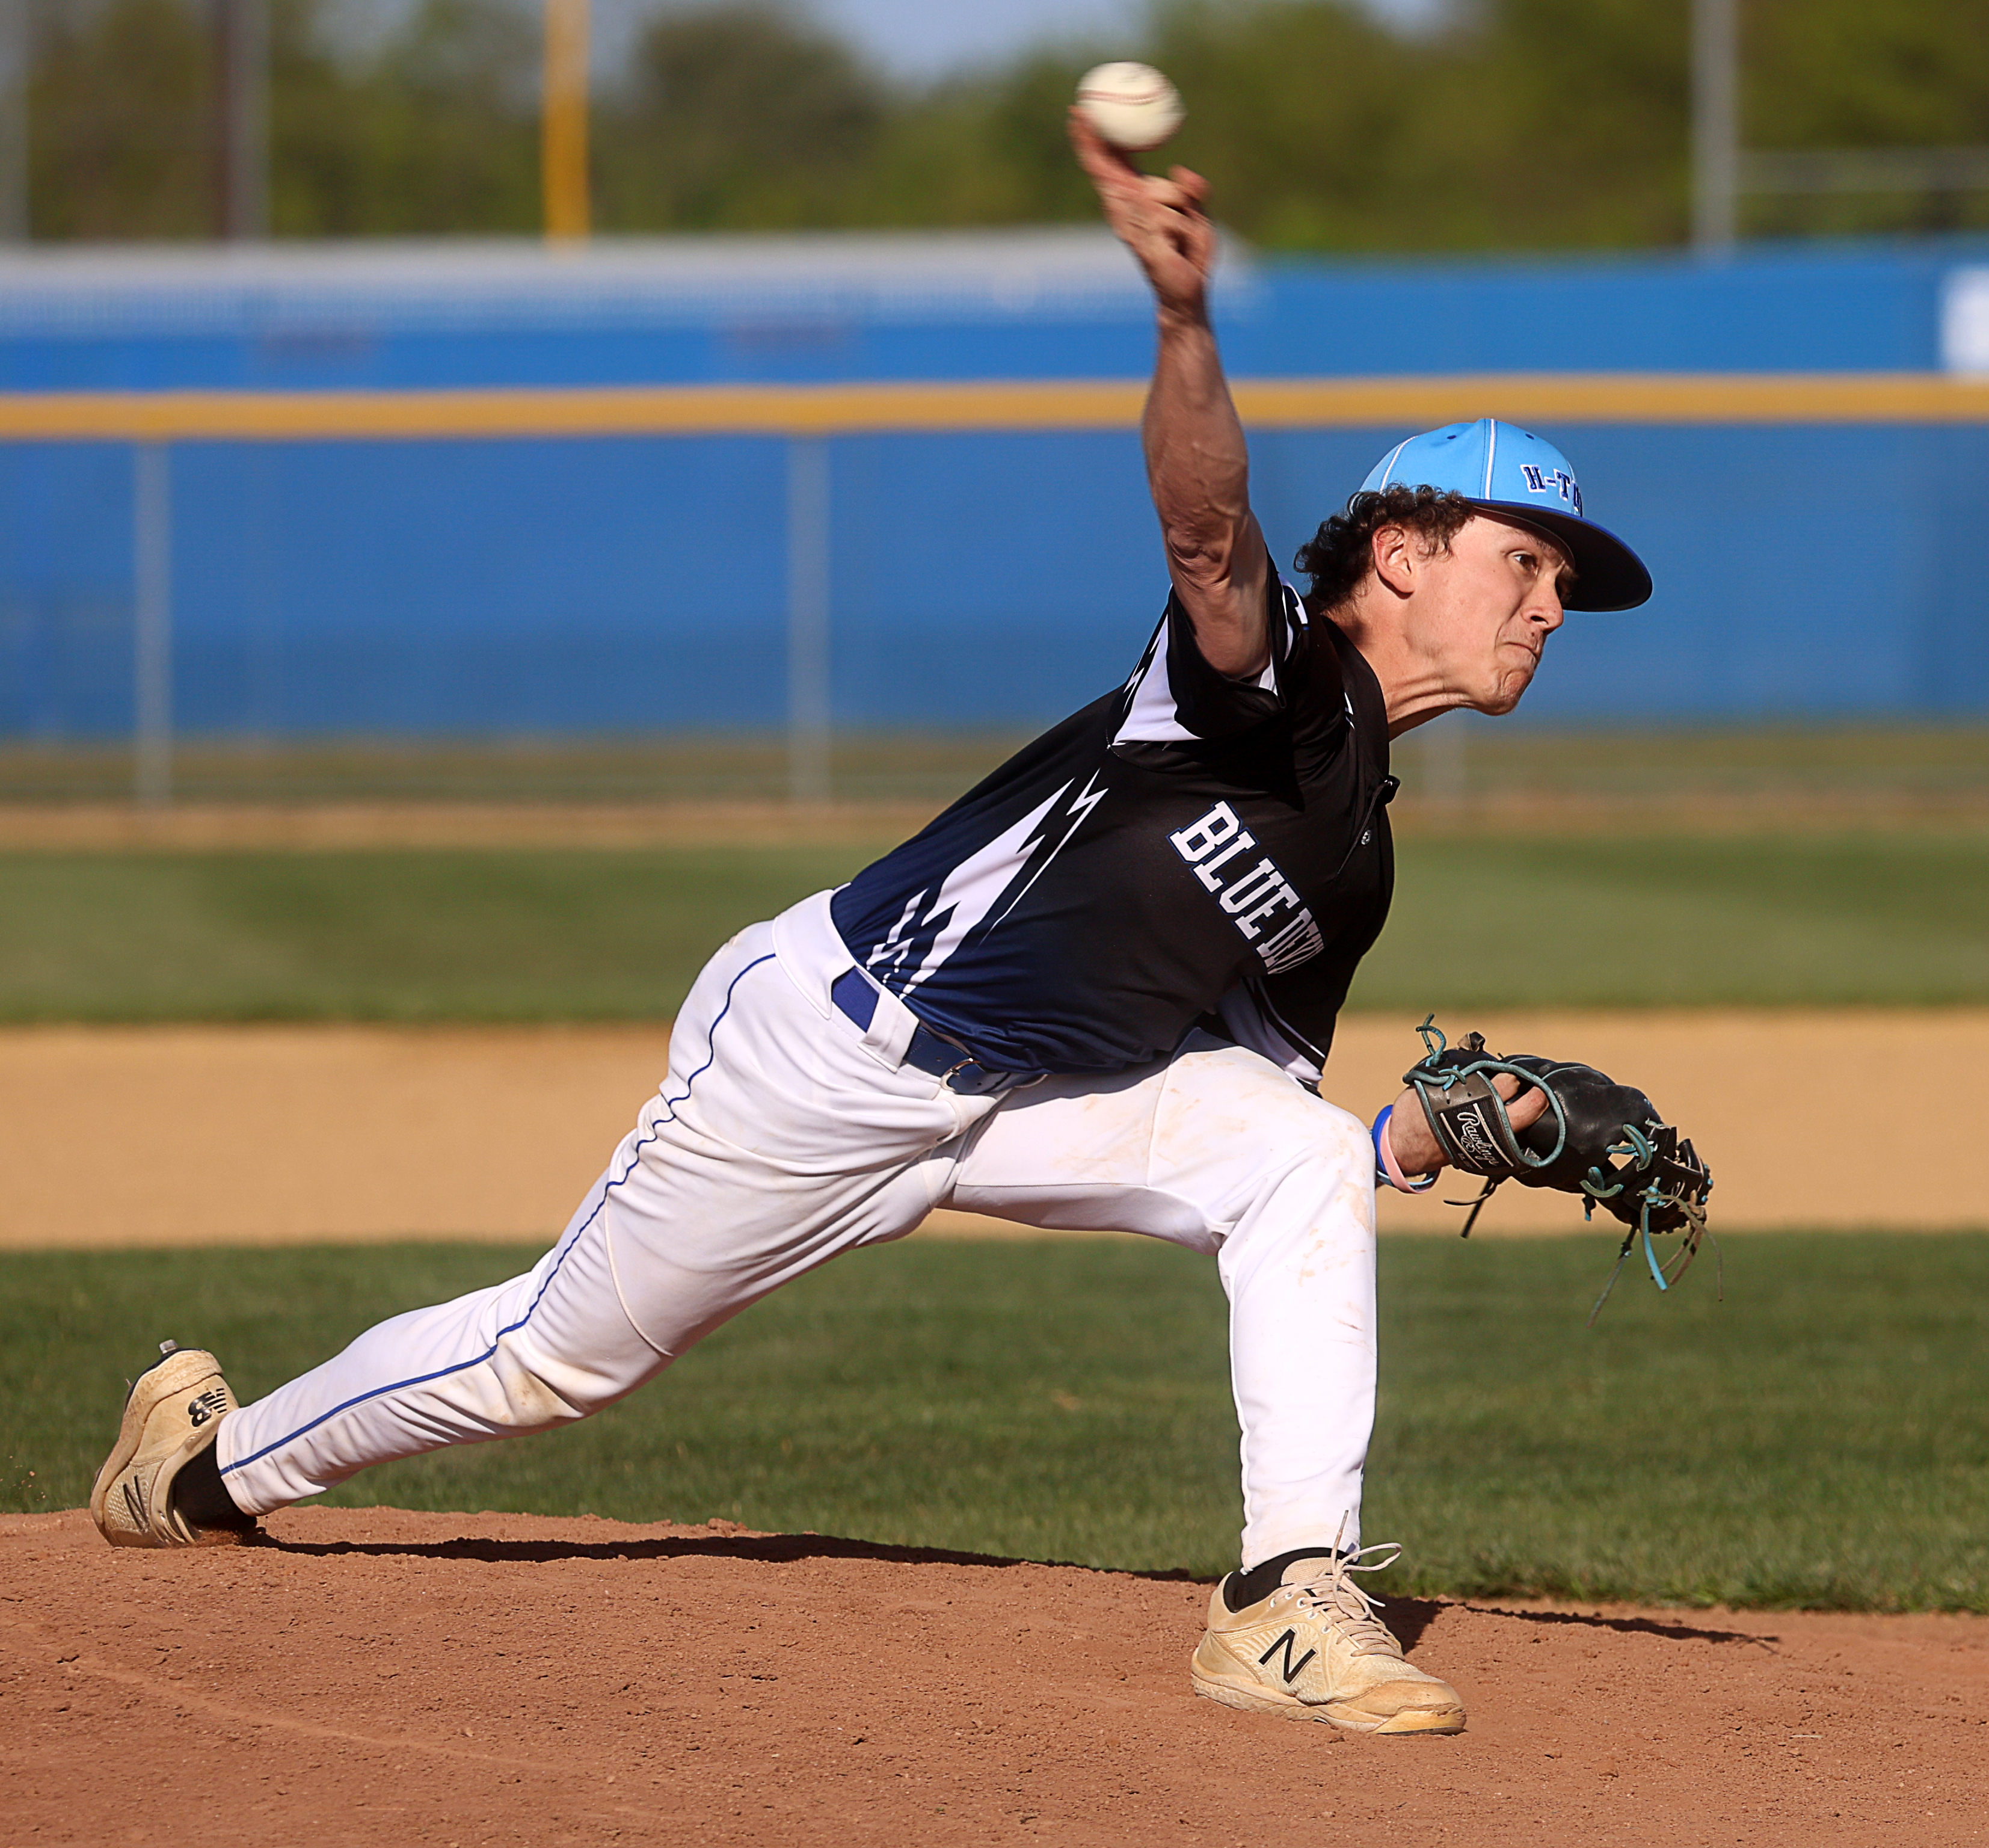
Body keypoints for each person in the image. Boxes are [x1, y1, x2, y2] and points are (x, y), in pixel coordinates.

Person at [88, 117, 1653, 1737]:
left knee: (1304, 1160)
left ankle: (1282, 1602)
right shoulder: (1261, 688)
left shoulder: (1357, 855)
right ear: (1397, 553)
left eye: (1562, 585)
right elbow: (1204, 529)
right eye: (1523, 561)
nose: (1548, 605)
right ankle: (203, 1465)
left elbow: (1246, 1107)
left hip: (1017, 1106)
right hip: (836, 1052)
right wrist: (1184, 321)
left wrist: (1421, 1132)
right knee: (557, 1366)